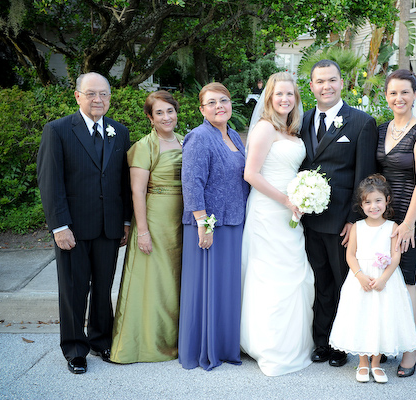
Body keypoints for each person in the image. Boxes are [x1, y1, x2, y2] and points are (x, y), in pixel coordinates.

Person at [36, 72, 131, 374]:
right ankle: (75, 349)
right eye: (91, 93)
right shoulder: (58, 130)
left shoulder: (120, 131)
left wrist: (126, 220)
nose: (98, 99)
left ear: (109, 97)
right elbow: (50, 181)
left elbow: (123, 182)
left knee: (103, 288)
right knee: (74, 289)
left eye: (103, 94)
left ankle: (101, 340)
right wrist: (59, 225)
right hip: (72, 228)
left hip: (109, 227)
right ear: (77, 96)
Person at [300, 59, 378, 367]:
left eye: (332, 80)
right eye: (320, 81)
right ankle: (322, 342)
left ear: (342, 82)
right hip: (309, 220)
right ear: (311, 86)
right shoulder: (303, 120)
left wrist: (354, 221)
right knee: (321, 283)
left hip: (342, 222)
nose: (326, 86)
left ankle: (342, 345)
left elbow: (365, 177)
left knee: (343, 283)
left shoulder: (361, 122)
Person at [240, 72, 314, 376]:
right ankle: (268, 345)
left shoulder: (292, 131)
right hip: (268, 211)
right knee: (270, 277)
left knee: (295, 273)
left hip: (291, 212)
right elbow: (251, 174)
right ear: (269, 98)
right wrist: (286, 200)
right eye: (278, 94)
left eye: (290, 94)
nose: (284, 99)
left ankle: (293, 342)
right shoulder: (264, 129)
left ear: (296, 98)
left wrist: (304, 197)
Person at [178, 82, 249, 371]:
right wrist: (202, 223)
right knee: (206, 288)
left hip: (233, 221)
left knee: (226, 288)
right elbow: (191, 182)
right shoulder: (199, 136)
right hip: (209, 225)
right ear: (202, 109)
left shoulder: (233, 134)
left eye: (224, 100)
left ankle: (224, 345)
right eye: (211, 102)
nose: (219, 106)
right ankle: (203, 349)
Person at [110, 91, 183, 364]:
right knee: (154, 281)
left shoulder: (185, 142)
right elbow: (137, 191)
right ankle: (146, 344)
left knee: (174, 282)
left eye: (170, 111)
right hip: (154, 218)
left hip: (180, 221)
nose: (166, 117)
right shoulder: (145, 147)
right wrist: (142, 231)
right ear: (150, 118)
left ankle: (173, 338)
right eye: (159, 113)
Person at [329, 174, 416, 383]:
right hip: (361, 279)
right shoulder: (357, 227)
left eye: (378, 200)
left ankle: (376, 364)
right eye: (367, 202)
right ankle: (362, 363)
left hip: (384, 281)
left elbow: (395, 256)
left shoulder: (393, 227)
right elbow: (350, 255)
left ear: (387, 200)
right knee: (362, 317)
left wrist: (384, 279)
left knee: (381, 318)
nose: (373, 206)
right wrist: (360, 276)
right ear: (361, 205)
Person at [375, 69, 416, 377]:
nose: (399, 98)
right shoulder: (383, 129)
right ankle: (387, 342)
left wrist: (410, 223)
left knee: (406, 279)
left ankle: (410, 352)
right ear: (387, 96)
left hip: (409, 212)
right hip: (383, 215)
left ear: (415, 95)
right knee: (386, 276)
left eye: (405, 92)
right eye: (393, 92)